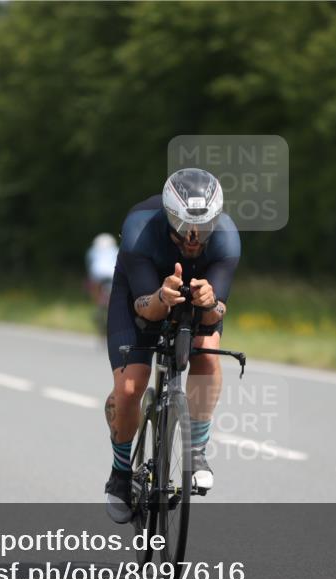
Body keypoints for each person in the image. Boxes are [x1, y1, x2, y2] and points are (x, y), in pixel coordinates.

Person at [103, 168, 240, 523]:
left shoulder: (227, 239)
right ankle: (120, 473)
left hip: (195, 296)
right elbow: (143, 309)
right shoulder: (139, 230)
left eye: (204, 227)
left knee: (207, 355)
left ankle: (195, 452)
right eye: (183, 226)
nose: (194, 238)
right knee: (130, 387)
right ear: (169, 217)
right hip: (141, 293)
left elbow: (217, 313)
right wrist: (163, 298)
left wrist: (210, 304)